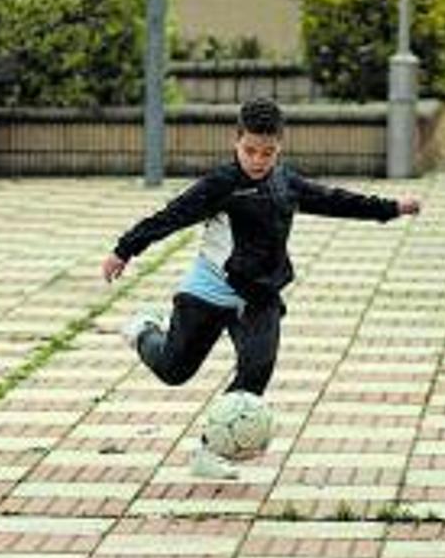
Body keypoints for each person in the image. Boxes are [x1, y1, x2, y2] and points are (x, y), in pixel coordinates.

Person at [101, 96, 420, 479]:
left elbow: (334, 200)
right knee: (173, 370)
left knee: (256, 370)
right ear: (236, 142)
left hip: (260, 296)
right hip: (209, 291)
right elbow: (170, 217)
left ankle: (208, 452)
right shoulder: (220, 184)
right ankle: (144, 330)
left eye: (267, 153)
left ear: (279, 147)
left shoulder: (285, 182)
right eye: (249, 150)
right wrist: (124, 250)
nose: (257, 160)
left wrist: (391, 208)